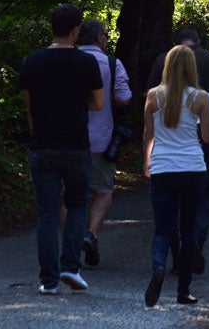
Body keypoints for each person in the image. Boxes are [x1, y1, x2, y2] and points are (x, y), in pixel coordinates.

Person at [18, 3, 104, 295]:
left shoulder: (31, 62)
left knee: (46, 213)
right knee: (78, 204)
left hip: (42, 144)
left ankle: (48, 280)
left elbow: (29, 106)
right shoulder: (86, 63)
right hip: (76, 143)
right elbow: (98, 103)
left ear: (52, 27)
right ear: (76, 30)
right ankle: (71, 265)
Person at [148, 28, 209, 274]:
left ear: (173, 44)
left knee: (173, 205)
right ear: (199, 41)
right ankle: (196, 238)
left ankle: (180, 257)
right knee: (207, 197)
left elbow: (149, 111)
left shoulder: (161, 61)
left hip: (167, 150)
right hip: (204, 148)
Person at [143, 45, 209, 307]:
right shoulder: (200, 97)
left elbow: (148, 135)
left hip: (163, 168)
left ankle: (159, 266)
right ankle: (183, 291)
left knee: (163, 229)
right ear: (191, 68)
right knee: (187, 229)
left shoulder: (153, 96)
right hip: (193, 169)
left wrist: (147, 162)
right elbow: (206, 137)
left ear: (167, 66)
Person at [77, 18, 132, 267]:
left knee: (69, 195)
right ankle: (91, 233)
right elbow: (123, 98)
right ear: (100, 39)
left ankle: (73, 239)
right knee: (104, 190)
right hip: (102, 137)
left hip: (67, 139)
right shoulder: (111, 63)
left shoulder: (66, 60)